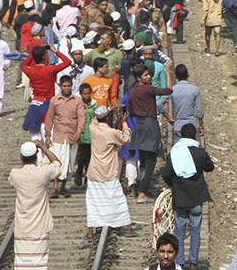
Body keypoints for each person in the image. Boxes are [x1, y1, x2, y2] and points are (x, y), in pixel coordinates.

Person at [160, 123, 215, 269]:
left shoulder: (174, 153)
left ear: (181, 136)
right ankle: (193, 262)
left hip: (180, 198)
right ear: (195, 136)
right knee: (196, 231)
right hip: (197, 198)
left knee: (179, 231)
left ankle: (180, 262)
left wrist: (173, 184)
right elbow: (210, 167)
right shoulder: (200, 153)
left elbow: (166, 173)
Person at [8, 140, 62, 269]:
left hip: (22, 227)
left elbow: (16, 176)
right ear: (36, 156)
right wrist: (42, 146)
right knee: (39, 264)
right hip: (40, 226)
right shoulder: (43, 172)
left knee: (22, 264)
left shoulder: (15, 174)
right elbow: (57, 163)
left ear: (21, 156)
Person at [86, 106, 136, 238]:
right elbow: (126, 139)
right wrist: (124, 123)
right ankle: (128, 228)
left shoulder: (93, 128)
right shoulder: (112, 133)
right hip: (109, 172)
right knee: (118, 199)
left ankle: (90, 231)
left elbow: (94, 120)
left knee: (92, 201)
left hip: (94, 171)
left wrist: (109, 108)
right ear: (108, 118)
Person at [129, 64, 173, 203]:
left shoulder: (132, 92)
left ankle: (142, 189)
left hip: (139, 125)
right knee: (150, 162)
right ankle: (142, 193)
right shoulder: (148, 89)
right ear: (139, 78)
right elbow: (168, 90)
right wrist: (167, 72)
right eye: (146, 75)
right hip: (149, 125)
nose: (149, 77)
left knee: (143, 161)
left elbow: (131, 111)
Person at [44, 76, 84, 198]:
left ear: (72, 86)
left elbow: (81, 117)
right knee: (57, 161)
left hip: (72, 135)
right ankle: (55, 186)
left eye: (68, 86)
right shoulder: (54, 100)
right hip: (58, 135)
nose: (66, 88)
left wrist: (79, 131)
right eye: (64, 86)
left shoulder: (77, 100)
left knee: (69, 163)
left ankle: (63, 187)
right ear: (60, 86)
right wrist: (47, 135)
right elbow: (50, 118)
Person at [164, 64, 205, 143]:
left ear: (175, 76)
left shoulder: (172, 90)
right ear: (188, 74)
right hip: (192, 125)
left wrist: (168, 117)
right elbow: (199, 111)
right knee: (195, 147)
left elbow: (160, 104)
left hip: (178, 125)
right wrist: (200, 126)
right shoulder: (195, 90)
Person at [74, 83, 98, 188]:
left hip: (92, 135)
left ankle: (87, 178)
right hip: (82, 135)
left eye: (88, 93)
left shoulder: (95, 105)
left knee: (90, 158)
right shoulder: (77, 104)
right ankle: (79, 171)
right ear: (80, 94)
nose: (87, 96)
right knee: (82, 156)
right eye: (85, 94)